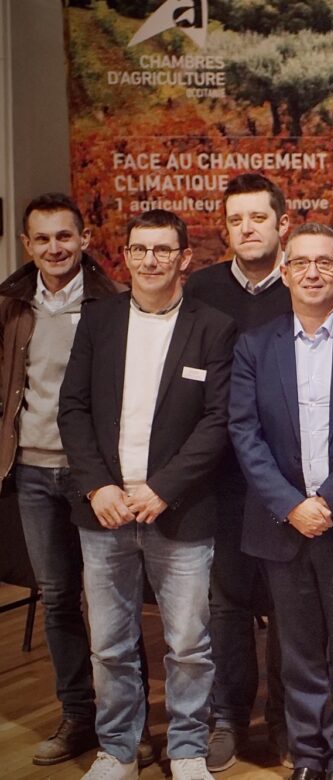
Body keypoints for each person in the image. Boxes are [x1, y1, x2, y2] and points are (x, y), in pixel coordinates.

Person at [58, 209, 237, 780]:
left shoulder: (213, 326)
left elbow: (218, 422)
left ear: (185, 258)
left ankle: (186, 748)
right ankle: (118, 749)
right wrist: (97, 485)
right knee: (110, 644)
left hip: (179, 511)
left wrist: (162, 488)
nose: (150, 260)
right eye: (139, 250)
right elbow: (73, 409)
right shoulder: (99, 321)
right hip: (104, 512)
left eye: (163, 250)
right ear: (126, 257)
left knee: (188, 645)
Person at [229, 223, 333, 780]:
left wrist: (331, 501)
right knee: (297, 652)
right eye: (301, 263)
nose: (312, 272)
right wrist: (291, 504)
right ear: (285, 273)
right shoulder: (253, 346)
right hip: (280, 525)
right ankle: (308, 757)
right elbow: (244, 433)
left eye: (325, 263)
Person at [1, 193, 133, 767]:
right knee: (57, 597)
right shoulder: (10, 305)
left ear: (83, 240)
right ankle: (77, 714)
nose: (54, 247)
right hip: (31, 471)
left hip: (94, 473)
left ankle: (123, 725)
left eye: (65, 236)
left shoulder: (113, 303)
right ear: (27, 246)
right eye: (42, 238)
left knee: (113, 602)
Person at [185, 172, 292, 771]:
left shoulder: (306, 283)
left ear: (283, 223)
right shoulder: (199, 289)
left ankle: (283, 721)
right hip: (219, 480)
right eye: (236, 220)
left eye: (258, 217)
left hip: (289, 484)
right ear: (224, 229)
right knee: (225, 606)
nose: (247, 228)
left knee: (285, 608)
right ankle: (227, 718)